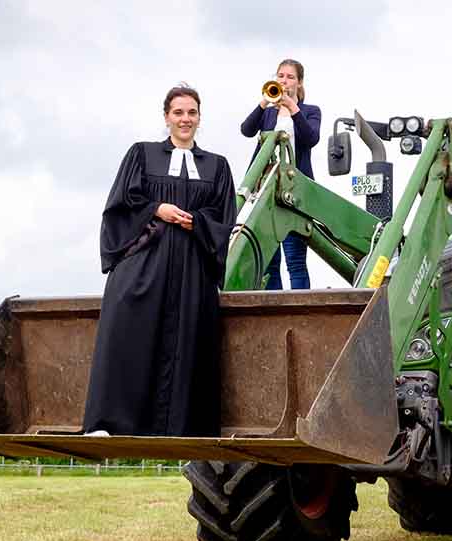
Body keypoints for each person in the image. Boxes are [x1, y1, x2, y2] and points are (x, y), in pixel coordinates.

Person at [82, 84, 237, 437]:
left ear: (200, 118)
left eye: (192, 113)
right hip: (144, 266)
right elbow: (120, 205)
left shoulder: (217, 165)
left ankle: (186, 429)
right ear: (166, 117)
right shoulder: (141, 154)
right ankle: (109, 423)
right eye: (178, 112)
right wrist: (157, 209)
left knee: (190, 344)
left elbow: (224, 216)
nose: (185, 119)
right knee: (126, 338)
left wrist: (198, 222)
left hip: (192, 271)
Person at [240, 58, 322, 290]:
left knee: (295, 260)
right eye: (280, 76)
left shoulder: (310, 111)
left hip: (294, 194)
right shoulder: (268, 113)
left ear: (300, 83)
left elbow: (310, 138)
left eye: (290, 77)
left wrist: (292, 107)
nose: (284, 81)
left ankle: (301, 308)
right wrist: (265, 102)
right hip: (265, 190)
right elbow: (246, 130)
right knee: (269, 262)